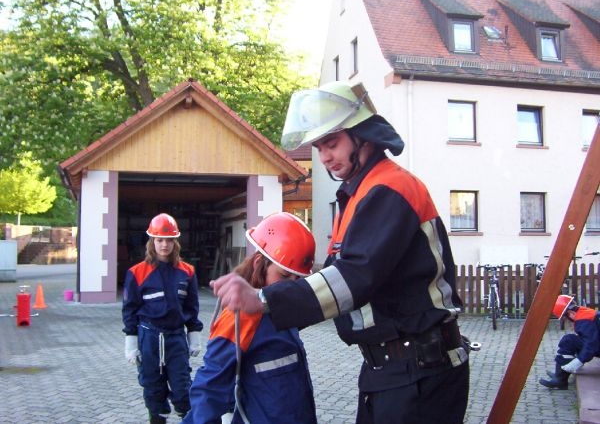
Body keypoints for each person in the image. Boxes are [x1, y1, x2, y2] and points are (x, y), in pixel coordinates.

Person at [211, 80, 470, 424]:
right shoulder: (358, 193)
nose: (324, 157)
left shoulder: (389, 188)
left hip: (419, 373)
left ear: (363, 136)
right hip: (393, 370)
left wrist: (264, 300)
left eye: (331, 143)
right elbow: (337, 278)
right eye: (318, 147)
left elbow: (354, 278)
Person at [182, 211, 318, 424]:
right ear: (258, 264)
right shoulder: (239, 318)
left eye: (298, 279)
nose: (291, 286)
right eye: (284, 276)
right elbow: (209, 387)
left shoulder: (286, 311)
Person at [122, 213, 204, 424]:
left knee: (182, 389)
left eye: (169, 240)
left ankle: (187, 419)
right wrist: (131, 343)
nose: (164, 245)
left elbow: (192, 307)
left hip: (176, 339)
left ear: (175, 242)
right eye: (159, 240)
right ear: (152, 241)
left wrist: (194, 336)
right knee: (153, 389)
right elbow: (130, 309)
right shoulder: (136, 273)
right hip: (149, 339)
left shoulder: (188, 272)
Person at [539, 294, 600, 390]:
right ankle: (559, 374)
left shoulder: (583, 320)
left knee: (569, 341)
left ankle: (560, 379)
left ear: (570, 313)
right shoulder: (584, 313)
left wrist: (579, 361)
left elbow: (591, 345)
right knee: (570, 340)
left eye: (565, 317)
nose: (567, 320)